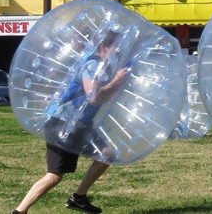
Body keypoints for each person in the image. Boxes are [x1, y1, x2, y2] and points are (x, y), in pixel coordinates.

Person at [10, 30, 128, 214]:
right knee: (54, 176)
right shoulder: (92, 65)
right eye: (116, 47)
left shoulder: (103, 68)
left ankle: (78, 198)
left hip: (81, 124)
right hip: (63, 124)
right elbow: (93, 97)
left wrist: (117, 83)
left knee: (107, 154)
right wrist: (116, 81)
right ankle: (19, 211)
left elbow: (102, 97)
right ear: (105, 47)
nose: (119, 51)